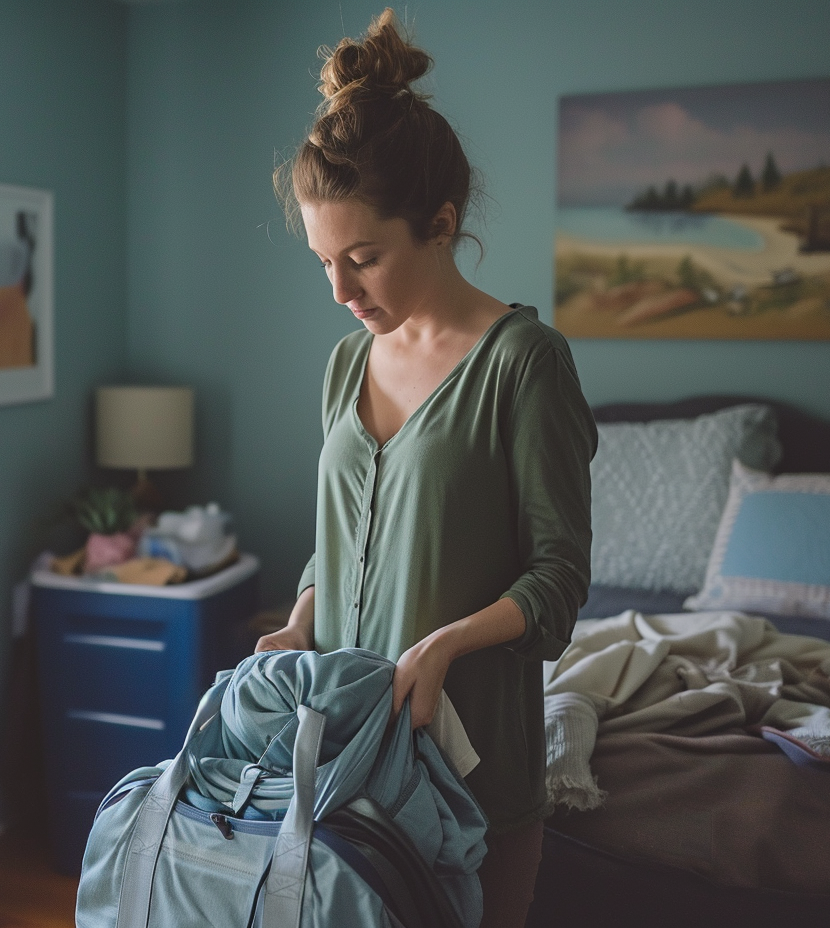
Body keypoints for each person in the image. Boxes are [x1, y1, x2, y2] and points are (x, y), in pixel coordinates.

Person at [255, 10, 597, 927]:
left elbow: (559, 582)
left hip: (470, 774)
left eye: (363, 258)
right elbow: (345, 541)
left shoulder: (525, 361)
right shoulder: (344, 366)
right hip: (341, 768)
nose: (340, 291)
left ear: (440, 224)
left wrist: (443, 643)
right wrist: (298, 621)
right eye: (326, 262)